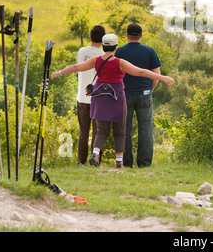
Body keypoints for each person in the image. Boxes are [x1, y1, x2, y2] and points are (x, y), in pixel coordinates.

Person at [51, 33, 174, 168]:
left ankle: (95, 152)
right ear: (116, 47)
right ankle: (119, 162)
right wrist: (162, 78)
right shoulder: (120, 62)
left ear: (103, 46)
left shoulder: (96, 60)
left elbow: (77, 67)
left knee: (102, 130)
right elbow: (141, 72)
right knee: (120, 131)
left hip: (100, 98)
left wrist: (59, 72)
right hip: (116, 98)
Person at [115, 23, 161, 168]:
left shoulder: (120, 52)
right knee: (146, 129)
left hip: (125, 95)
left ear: (127, 35)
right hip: (145, 93)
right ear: (141, 35)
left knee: (125, 130)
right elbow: (156, 75)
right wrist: (150, 89)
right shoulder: (149, 51)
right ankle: (144, 163)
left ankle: (127, 163)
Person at [74, 25, 105, 165]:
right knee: (98, 132)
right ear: (103, 40)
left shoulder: (81, 51)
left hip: (82, 96)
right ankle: (95, 159)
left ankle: (81, 161)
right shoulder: (104, 55)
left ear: (90, 37)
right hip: (98, 98)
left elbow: (78, 67)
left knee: (83, 132)